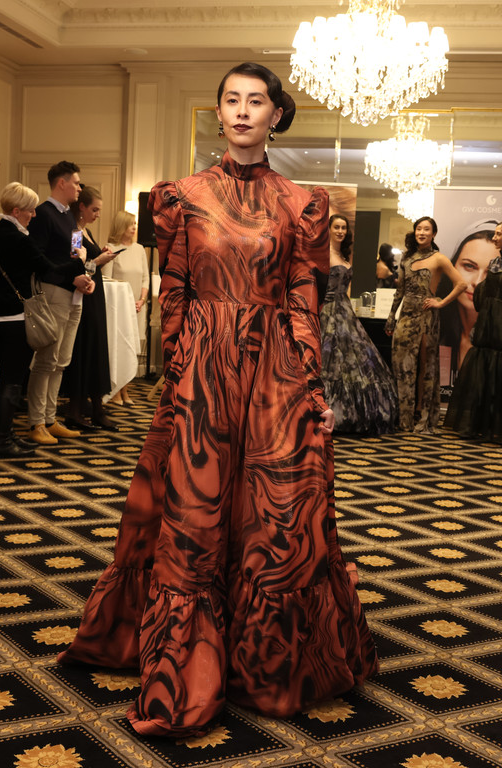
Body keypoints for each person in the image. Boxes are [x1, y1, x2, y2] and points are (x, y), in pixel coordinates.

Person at [59, 61, 378, 738]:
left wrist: (313, 385)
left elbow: (304, 303)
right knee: (195, 514)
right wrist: (176, 374)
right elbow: (174, 291)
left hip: (274, 372)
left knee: (276, 513)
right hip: (202, 372)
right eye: (230, 99)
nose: (240, 111)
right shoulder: (180, 196)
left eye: (255, 101)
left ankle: (264, 664)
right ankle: (187, 667)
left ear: (275, 115)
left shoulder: (303, 203)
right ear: (220, 110)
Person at [0, 182, 92, 457]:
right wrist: (80, 260)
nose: (34, 215)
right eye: (30, 210)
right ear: (16, 211)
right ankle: (2, 440)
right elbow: (50, 269)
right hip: (15, 316)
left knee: (9, 379)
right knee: (12, 380)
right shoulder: (18, 238)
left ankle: (7, 435)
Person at [27, 161, 95, 445]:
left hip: (73, 294)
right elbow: (38, 261)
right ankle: (36, 422)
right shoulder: (43, 213)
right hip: (54, 293)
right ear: (62, 183)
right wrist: (71, 276)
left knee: (61, 362)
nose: (79, 188)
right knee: (46, 361)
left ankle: (50, 418)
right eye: (76, 183)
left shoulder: (69, 216)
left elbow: (75, 255)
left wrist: (85, 278)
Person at [385, 216, 467, 433]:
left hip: (427, 318)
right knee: (403, 367)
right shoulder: (406, 257)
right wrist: (392, 316)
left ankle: (423, 416)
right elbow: (400, 291)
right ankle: (404, 418)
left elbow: (461, 284)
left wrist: (440, 302)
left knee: (426, 367)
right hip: (405, 317)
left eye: (426, 229)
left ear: (433, 234)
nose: (421, 233)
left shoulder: (439, 258)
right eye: (419, 229)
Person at [320, 215, 398, 434]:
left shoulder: (343, 255)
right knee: (329, 359)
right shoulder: (323, 253)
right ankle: (327, 410)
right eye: (336, 227)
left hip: (345, 310)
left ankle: (353, 413)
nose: (340, 231)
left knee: (356, 359)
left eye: (343, 228)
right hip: (327, 311)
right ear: (328, 229)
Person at [63, 186, 118, 431]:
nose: (97, 214)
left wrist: (101, 257)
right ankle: (76, 410)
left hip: (94, 296)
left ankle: (97, 408)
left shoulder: (87, 231)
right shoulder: (75, 233)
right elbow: (77, 268)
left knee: (95, 348)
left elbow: (90, 265)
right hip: (83, 298)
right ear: (82, 207)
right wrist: (98, 260)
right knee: (83, 349)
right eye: (94, 209)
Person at [444, 221, 502, 441]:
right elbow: (482, 297)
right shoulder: (495, 262)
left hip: (499, 330)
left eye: (499, 234)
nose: (496, 238)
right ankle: (480, 425)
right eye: (469, 266)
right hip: (487, 329)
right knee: (484, 376)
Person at [438, 220, 499, 389]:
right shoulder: (438, 330)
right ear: (453, 266)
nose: (477, 282)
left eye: (490, 271)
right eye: (469, 266)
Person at [102, 211, 149, 405]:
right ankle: (115, 391)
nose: (134, 227)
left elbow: (145, 278)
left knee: (131, 349)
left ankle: (125, 391)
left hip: (136, 308)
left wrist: (141, 300)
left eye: (135, 224)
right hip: (119, 309)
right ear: (121, 226)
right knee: (118, 348)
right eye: (131, 224)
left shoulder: (139, 249)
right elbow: (106, 280)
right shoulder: (111, 249)